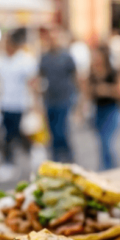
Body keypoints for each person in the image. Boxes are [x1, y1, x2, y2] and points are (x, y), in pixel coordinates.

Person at [0, 30, 38, 182]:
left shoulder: (25, 60)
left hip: (21, 104)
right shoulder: (2, 61)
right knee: (9, 134)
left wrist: (34, 104)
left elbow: (33, 83)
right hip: (6, 103)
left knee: (17, 133)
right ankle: (11, 162)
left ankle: (31, 152)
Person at [39, 30, 79, 163]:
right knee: (52, 132)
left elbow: (75, 76)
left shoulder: (67, 57)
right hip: (49, 99)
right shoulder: (44, 57)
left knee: (61, 130)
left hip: (64, 98)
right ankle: (56, 159)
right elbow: (40, 76)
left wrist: (78, 98)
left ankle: (68, 156)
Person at [87, 46, 120, 170]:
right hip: (98, 111)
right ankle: (105, 167)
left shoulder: (113, 72)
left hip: (112, 109)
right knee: (101, 143)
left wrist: (107, 90)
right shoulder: (92, 74)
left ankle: (110, 168)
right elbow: (87, 94)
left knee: (107, 142)